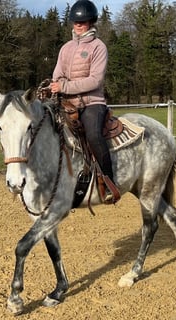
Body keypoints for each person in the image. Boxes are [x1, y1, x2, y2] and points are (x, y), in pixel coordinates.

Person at [49, 0, 117, 204]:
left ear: (91, 22)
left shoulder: (98, 47)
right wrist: (56, 86)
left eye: (84, 21)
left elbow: (95, 80)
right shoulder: (66, 48)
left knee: (95, 135)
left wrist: (65, 87)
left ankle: (108, 180)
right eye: (76, 21)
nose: (79, 24)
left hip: (91, 102)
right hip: (67, 102)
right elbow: (57, 75)